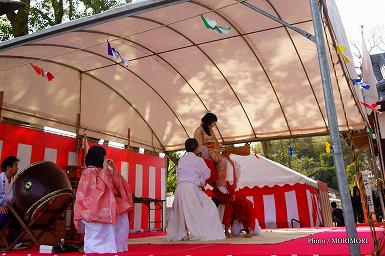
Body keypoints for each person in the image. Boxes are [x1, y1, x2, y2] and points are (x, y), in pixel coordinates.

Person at [74, 146, 134, 254]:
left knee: (124, 207)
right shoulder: (89, 171)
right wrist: (105, 170)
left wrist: (114, 169)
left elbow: (118, 186)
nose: (105, 158)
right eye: (103, 156)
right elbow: (95, 190)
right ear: (98, 157)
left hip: (108, 201)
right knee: (108, 210)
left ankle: (117, 245)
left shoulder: (103, 170)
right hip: (93, 204)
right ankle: (100, 247)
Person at [166, 138, 226, 241]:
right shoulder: (199, 160)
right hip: (191, 188)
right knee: (210, 206)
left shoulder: (181, 159)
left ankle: (180, 234)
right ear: (196, 148)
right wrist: (201, 180)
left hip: (180, 188)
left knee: (180, 213)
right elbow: (207, 173)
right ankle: (204, 231)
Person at [0, 156, 22, 246]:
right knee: (4, 215)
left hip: (7, 207)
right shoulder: (0, 178)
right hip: (1, 209)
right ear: (9, 167)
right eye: (15, 166)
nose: (17, 168)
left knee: (19, 215)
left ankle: (14, 241)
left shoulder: (13, 181)